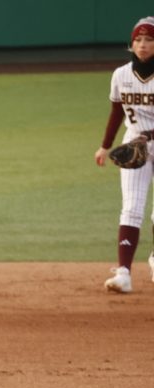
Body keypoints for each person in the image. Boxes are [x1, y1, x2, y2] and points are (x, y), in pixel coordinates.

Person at [96, 16, 154, 294]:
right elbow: (117, 111)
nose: (143, 45)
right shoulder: (121, 74)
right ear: (131, 44)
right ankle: (124, 273)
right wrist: (105, 146)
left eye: (149, 40)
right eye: (138, 40)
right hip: (133, 142)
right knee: (131, 207)